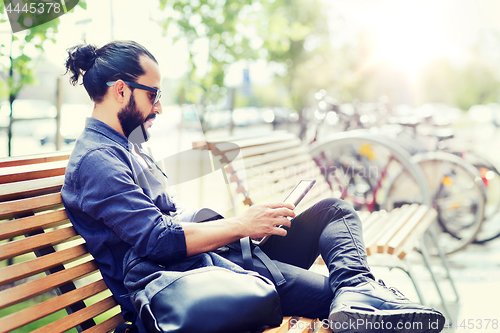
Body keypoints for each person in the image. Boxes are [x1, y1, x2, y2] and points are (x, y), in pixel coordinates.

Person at [61, 40, 445, 333]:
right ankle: (361, 295)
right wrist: (243, 224)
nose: (159, 107)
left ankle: (359, 287)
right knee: (352, 305)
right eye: (154, 94)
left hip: (218, 259)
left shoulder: (125, 147)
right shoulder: (98, 160)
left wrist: (246, 229)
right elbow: (159, 241)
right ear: (121, 91)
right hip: (191, 280)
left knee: (334, 211)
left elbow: (170, 224)